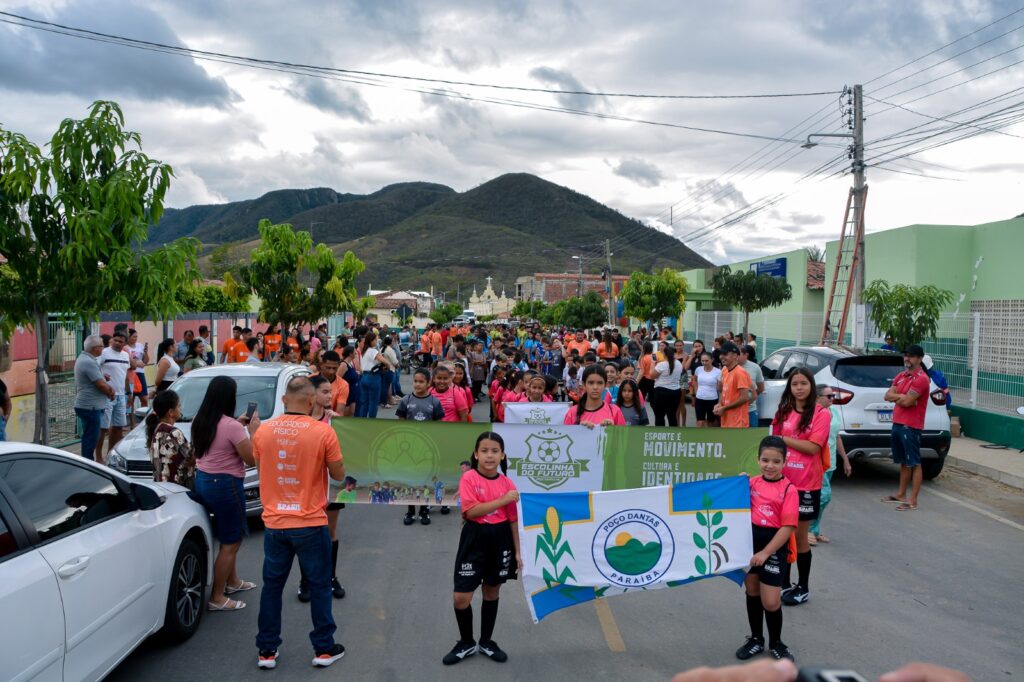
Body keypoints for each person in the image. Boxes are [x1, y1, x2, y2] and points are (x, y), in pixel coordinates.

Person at [253, 377, 347, 669]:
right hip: (309, 521)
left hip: (274, 523)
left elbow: (261, 468)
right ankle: (323, 648)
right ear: (310, 401)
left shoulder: (263, 432)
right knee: (320, 586)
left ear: (283, 400)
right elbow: (339, 474)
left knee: (272, 587)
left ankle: (267, 651)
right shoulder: (323, 432)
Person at [444, 432, 522, 666]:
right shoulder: (469, 478)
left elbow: (512, 520)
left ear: (502, 455)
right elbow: (470, 512)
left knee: (492, 591)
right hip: (474, 539)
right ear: (476, 454)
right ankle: (466, 642)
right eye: (485, 451)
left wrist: (517, 552)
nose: (489, 455)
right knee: (461, 597)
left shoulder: (507, 483)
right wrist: (502, 500)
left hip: (500, 540)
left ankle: (486, 641)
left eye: (495, 451)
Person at [191, 375, 260, 612]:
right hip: (226, 484)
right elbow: (251, 459)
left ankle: (232, 582)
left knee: (225, 537)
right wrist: (252, 432)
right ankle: (217, 597)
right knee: (231, 541)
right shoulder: (231, 426)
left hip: (203, 480)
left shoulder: (201, 420)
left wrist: (237, 425)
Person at [736, 435, 798, 663]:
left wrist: (766, 553)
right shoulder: (751, 483)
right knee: (752, 590)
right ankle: (755, 639)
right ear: (758, 459)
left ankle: (777, 643)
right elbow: (733, 503)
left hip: (773, 549)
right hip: (750, 545)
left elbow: (788, 527)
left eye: (776, 461)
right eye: (765, 460)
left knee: (771, 601)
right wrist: (738, 484)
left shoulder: (789, 489)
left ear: (785, 462)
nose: (769, 466)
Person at [771, 368, 830, 607]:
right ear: (789, 387)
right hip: (783, 482)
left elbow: (814, 447)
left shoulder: (821, 414)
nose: (799, 387)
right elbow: (772, 445)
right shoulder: (783, 412)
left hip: (807, 484)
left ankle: (802, 587)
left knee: (799, 535)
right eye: (794, 383)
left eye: (803, 383)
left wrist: (785, 440)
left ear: (811, 386)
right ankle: (783, 582)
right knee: (781, 534)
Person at [296, 375, 346, 602]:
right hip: (306, 486)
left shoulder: (335, 421)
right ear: (312, 394)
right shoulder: (299, 419)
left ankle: (330, 577)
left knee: (329, 533)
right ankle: (306, 580)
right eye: (325, 392)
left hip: (332, 486)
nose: (330, 395)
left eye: (331, 392)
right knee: (307, 535)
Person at [883, 344, 932, 512]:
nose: (907, 359)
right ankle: (901, 494)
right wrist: (900, 397)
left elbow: (907, 402)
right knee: (903, 462)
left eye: (911, 356)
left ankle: (913, 500)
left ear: (919, 359)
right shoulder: (901, 376)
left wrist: (899, 398)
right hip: (897, 423)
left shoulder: (922, 379)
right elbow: (887, 395)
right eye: (906, 355)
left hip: (911, 426)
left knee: (914, 463)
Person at [396, 368, 445, 526]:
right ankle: (410, 510)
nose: (417, 384)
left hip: (427, 449)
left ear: (428, 383)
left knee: (425, 480)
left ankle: (424, 511)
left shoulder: (434, 402)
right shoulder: (406, 400)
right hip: (410, 448)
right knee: (410, 480)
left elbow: (439, 426)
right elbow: (401, 423)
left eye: (421, 381)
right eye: (415, 381)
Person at [809, 385, 851, 545]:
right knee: (823, 497)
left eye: (833, 396)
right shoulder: (812, 414)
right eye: (829, 396)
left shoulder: (832, 412)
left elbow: (837, 436)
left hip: (830, 463)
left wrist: (845, 460)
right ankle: (808, 530)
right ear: (817, 397)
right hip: (817, 463)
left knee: (820, 498)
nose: (832, 399)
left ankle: (815, 530)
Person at [74, 335, 114, 460]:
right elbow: (100, 384)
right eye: (102, 346)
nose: (104, 348)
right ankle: (88, 464)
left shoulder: (87, 359)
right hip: (90, 406)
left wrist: (103, 377)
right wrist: (110, 393)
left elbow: (97, 379)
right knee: (91, 438)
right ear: (95, 348)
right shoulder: (88, 361)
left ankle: (87, 462)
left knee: (90, 436)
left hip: (90, 405)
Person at [145, 390, 194, 487]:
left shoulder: (157, 430)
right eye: (179, 406)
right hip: (177, 489)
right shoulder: (173, 433)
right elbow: (192, 459)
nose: (180, 408)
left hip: (161, 488)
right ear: (170, 412)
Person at [98, 330, 132, 464]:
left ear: (125, 343)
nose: (117, 343)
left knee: (118, 426)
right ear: (112, 339)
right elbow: (95, 369)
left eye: (121, 341)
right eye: (115, 340)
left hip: (121, 395)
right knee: (103, 427)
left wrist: (128, 393)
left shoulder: (125, 355)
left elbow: (124, 376)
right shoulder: (104, 352)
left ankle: (110, 455)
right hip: (106, 395)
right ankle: (98, 456)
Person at [714, 342, 753, 428]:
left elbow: (744, 397)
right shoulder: (724, 370)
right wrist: (720, 404)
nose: (721, 357)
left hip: (738, 423)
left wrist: (724, 408)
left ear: (735, 356)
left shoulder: (740, 373)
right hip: (726, 420)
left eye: (725, 354)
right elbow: (723, 392)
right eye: (721, 354)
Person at [650, 345, 684, 427]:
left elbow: (652, 376)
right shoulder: (679, 363)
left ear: (664, 354)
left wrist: (652, 364)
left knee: (659, 415)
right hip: (676, 392)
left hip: (661, 392)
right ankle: (673, 435)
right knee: (672, 415)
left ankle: (660, 435)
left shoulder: (662, 365)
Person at [356, 331, 385, 419]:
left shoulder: (363, 351)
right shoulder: (373, 351)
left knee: (364, 402)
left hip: (364, 376)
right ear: (371, 341)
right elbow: (383, 360)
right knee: (373, 402)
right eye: (375, 340)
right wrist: (388, 365)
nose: (376, 342)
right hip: (373, 377)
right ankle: (371, 421)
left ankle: (362, 421)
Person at [693, 352, 722, 428]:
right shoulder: (698, 369)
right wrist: (696, 392)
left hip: (712, 399)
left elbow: (721, 388)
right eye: (702, 361)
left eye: (706, 361)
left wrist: (720, 402)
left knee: (711, 422)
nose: (704, 363)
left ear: (712, 360)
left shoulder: (718, 371)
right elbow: (694, 380)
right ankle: (700, 438)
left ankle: (710, 438)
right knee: (700, 421)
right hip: (699, 399)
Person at [741, 345, 765, 427]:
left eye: (738, 354)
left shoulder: (755, 367)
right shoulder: (728, 368)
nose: (735, 357)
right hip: (733, 410)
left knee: (752, 434)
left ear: (745, 355)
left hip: (750, 409)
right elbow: (721, 388)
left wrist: (752, 397)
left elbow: (761, 388)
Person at [127, 329, 150, 410]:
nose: (135, 338)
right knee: (130, 399)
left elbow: (146, 361)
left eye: (136, 337)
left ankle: (144, 417)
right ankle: (132, 421)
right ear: (128, 337)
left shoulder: (140, 345)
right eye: (134, 337)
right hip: (131, 374)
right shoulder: (125, 348)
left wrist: (146, 352)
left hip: (140, 373)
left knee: (144, 398)